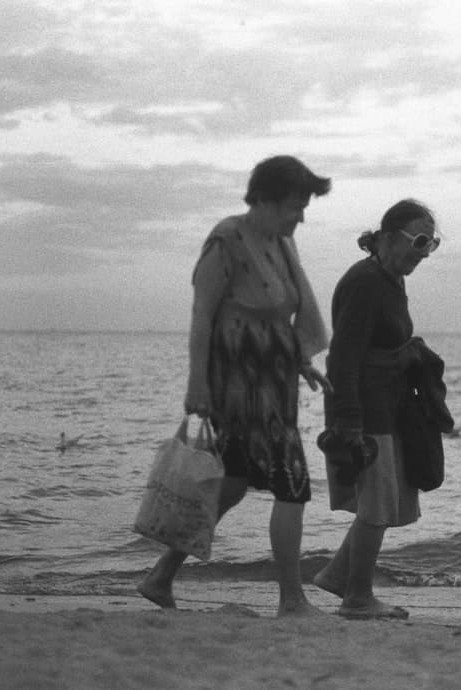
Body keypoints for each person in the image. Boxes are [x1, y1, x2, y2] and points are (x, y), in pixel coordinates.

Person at [138, 155, 333, 617]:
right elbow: (202, 317)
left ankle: (161, 576)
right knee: (292, 485)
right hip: (239, 387)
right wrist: (197, 386)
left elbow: (279, 316)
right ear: (264, 199)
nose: (301, 216)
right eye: (294, 206)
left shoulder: (281, 244)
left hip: (274, 383)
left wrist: (300, 360)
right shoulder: (227, 240)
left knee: (233, 485)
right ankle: (292, 600)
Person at [312, 198, 451, 619]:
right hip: (364, 411)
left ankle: (339, 576)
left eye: (432, 244)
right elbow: (342, 358)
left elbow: (378, 345)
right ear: (388, 237)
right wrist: (348, 422)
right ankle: (357, 598)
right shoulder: (365, 281)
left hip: (388, 408)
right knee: (376, 508)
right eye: (419, 241)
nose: (423, 253)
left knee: (385, 503)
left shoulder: (391, 280)